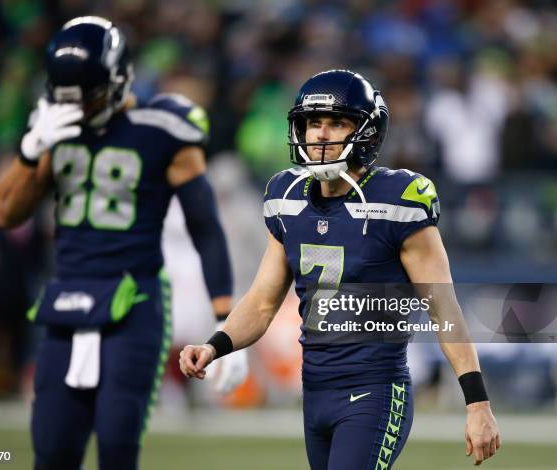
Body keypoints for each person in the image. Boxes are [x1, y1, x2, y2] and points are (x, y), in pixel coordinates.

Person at [180, 69, 501, 469]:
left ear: (366, 132)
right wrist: (214, 345)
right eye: (313, 122)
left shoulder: (398, 200)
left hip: (374, 391)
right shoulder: (286, 197)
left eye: (336, 122)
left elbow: (444, 310)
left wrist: (477, 403)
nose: (321, 134)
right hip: (314, 391)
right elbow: (262, 303)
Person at [0, 16, 247, 470]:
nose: (83, 111)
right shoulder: (55, 125)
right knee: (52, 452)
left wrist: (225, 325)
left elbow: (204, 227)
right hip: (67, 296)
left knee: (116, 447)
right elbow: (7, 213)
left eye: (90, 97)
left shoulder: (165, 128)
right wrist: (31, 152)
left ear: (118, 78)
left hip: (135, 300)